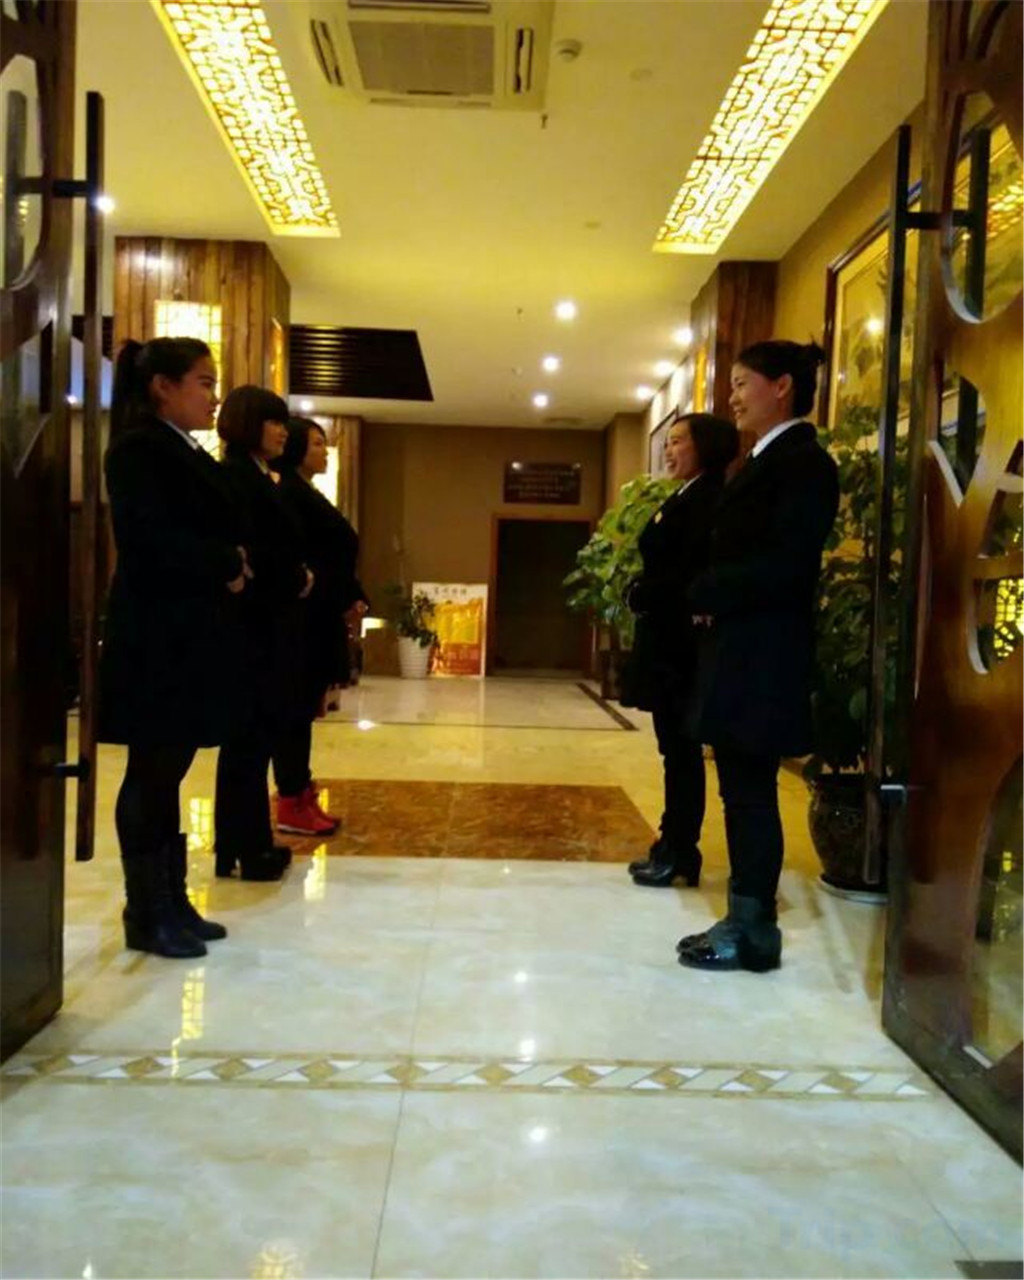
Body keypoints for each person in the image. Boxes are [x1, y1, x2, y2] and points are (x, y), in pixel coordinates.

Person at [677, 339, 839, 973]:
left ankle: (753, 929)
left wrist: (709, 589)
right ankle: (744, 918)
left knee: (750, 793)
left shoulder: (803, 463)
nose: (734, 397)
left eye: (743, 383)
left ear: (783, 387)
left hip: (763, 653)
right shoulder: (766, 459)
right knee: (742, 791)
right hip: (744, 647)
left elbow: (788, 565)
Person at [101, 337, 245, 958]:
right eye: (204, 382)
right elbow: (150, 540)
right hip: (156, 637)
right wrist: (225, 562)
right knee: (152, 769)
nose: (214, 396)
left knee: (170, 770)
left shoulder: (181, 448)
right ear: (163, 386)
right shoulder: (139, 449)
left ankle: (171, 899)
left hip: (187, 634)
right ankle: (146, 910)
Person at [624, 413, 739, 889]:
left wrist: (644, 594)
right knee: (673, 749)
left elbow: (688, 574)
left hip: (681, 646)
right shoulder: (686, 494)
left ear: (705, 446)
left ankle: (680, 848)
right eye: (667, 442)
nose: (668, 451)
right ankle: (673, 843)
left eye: (678, 442)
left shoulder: (709, 499)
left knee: (681, 750)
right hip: (667, 640)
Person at [213, 386, 311, 880]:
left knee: (250, 742)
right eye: (273, 422)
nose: (282, 432)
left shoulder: (255, 476)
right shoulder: (237, 478)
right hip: (252, 628)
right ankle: (246, 846)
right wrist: (297, 577)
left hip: (264, 626)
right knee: (248, 742)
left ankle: (243, 841)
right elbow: (257, 551)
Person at [270, 416, 368, 835]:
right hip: (301, 619)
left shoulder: (305, 492)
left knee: (305, 709)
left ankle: (299, 789)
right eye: (315, 443)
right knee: (293, 710)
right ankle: (291, 798)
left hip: (319, 614)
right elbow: (309, 557)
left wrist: (352, 594)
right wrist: (340, 592)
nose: (324, 451)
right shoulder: (289, 495)